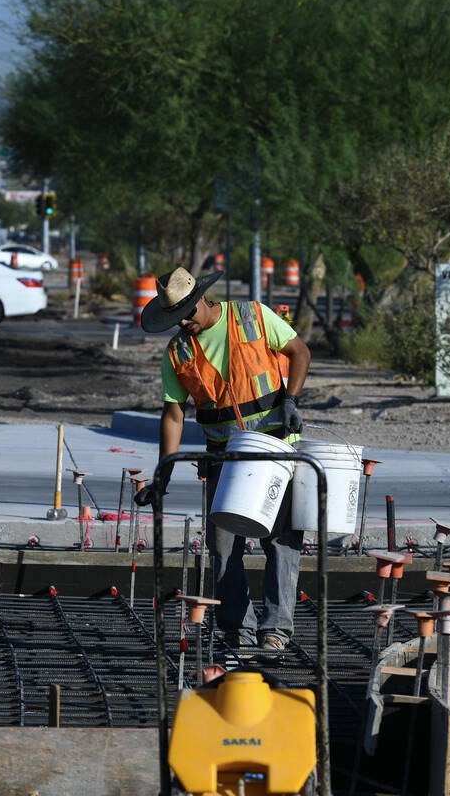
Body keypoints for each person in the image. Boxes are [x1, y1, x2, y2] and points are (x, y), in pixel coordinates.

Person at [135, 267, 310, 651]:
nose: (182, 323)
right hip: (223, 458)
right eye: (174, 318)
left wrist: (291, 400)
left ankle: (276, 631)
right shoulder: (178, 352)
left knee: (280, 540)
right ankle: (237, 629)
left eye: (186, 313)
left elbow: (299, 351)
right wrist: (162, 474)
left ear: (200, 298)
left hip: (275, 448)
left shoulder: (254, 316)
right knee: (224, 544)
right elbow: (173, 414)